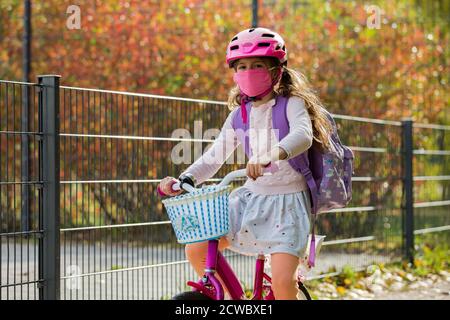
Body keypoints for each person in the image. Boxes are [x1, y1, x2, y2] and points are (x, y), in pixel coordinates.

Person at [158, 27, 332, 300]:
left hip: (288, 205)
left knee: (283, 284)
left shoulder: (291, 104)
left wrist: (271, 154)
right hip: (251, 200)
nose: (248, 71)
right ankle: (233, 300)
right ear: (234, 73)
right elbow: (214, 156)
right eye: (242, 66)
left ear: (276, 71)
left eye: (258, 65)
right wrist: (186, 179)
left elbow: (303, 135)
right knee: (197, 247)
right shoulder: (239, 115)